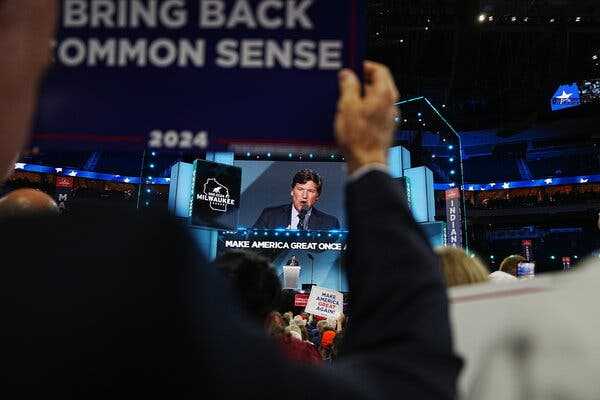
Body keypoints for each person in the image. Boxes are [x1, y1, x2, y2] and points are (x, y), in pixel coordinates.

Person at [0, 3, 461, 396]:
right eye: (298, 188)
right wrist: (368, 160)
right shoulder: (255, 233)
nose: (303, 194)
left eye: (310, 189)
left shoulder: (99, 316)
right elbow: (412, 374)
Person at [252, 169, 340, 230]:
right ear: (292, 191)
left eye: (310, 191)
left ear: (317, 196)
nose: (304, 196)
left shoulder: (330, 223)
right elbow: (252, 248)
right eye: (300, 189)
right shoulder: (270, 216)